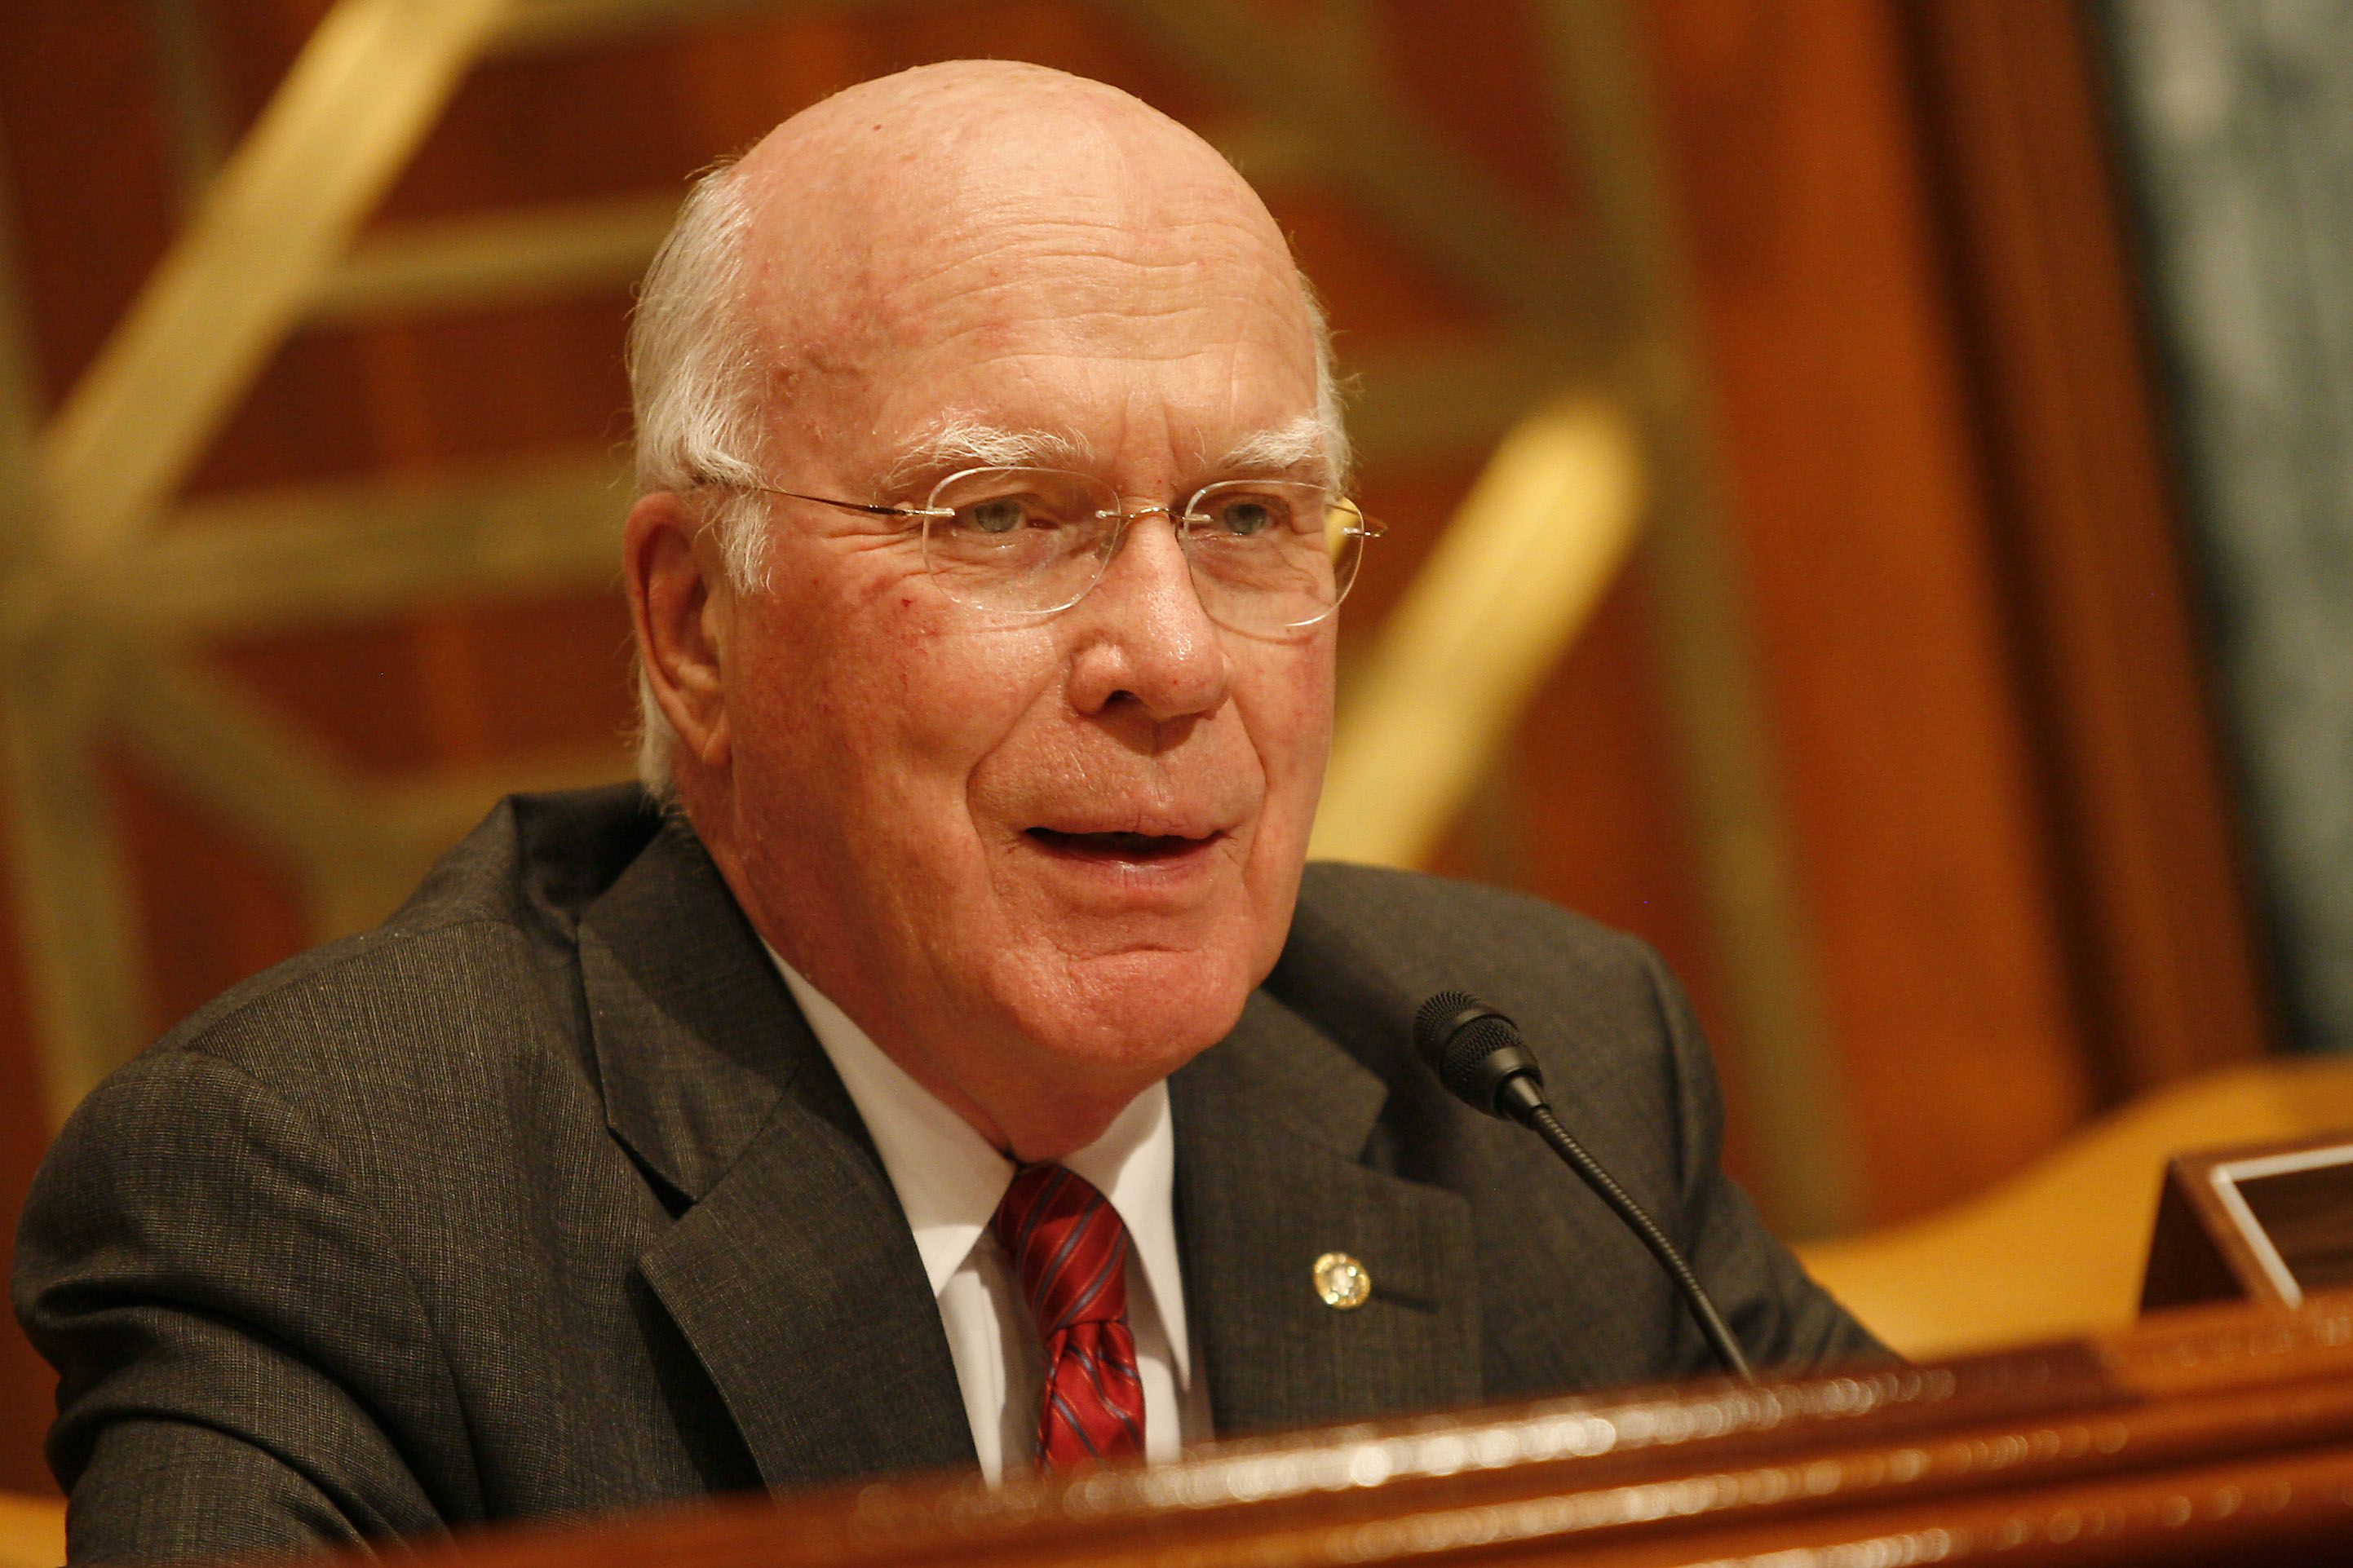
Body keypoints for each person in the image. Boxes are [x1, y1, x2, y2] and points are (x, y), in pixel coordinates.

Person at [14, 60, 1877, 1564]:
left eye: (1245, 518)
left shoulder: (1536, 1090)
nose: (1169, 656)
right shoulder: (333, 1200)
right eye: (1001, 518)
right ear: (697, 624)